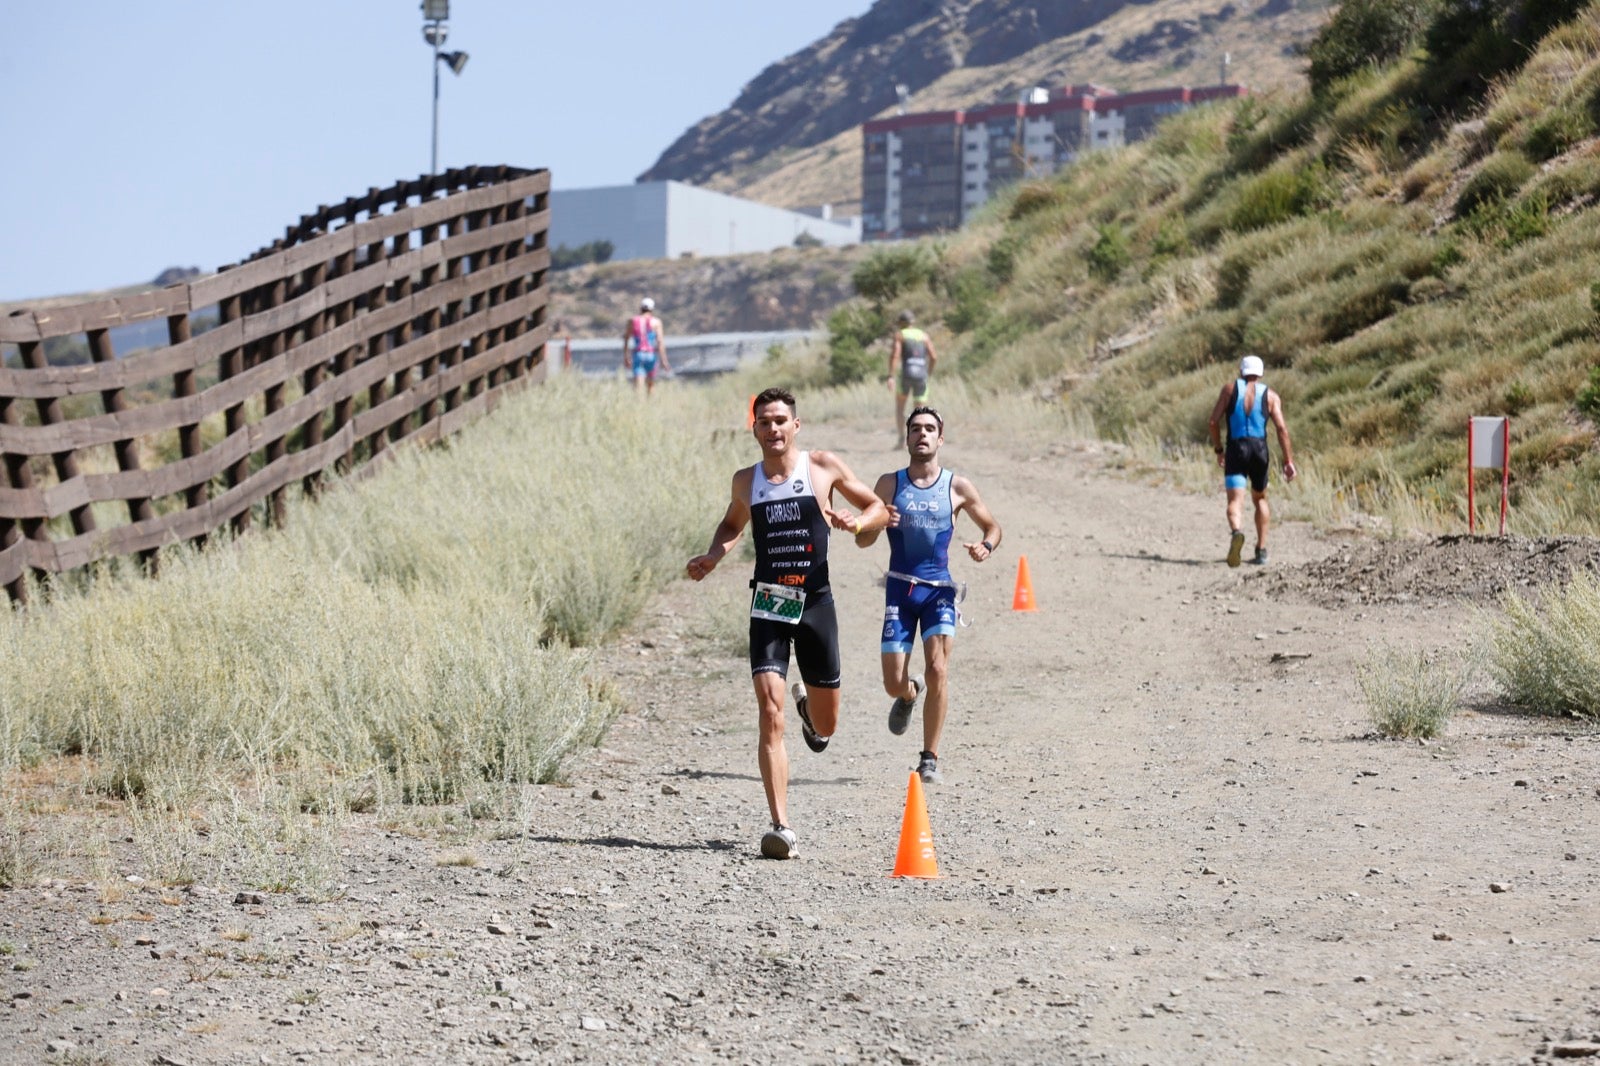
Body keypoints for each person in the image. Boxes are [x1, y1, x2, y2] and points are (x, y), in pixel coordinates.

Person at [686, 387, 889, 859]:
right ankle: (781, 826)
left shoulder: (821, 466)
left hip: (816, 602)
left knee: (827, 724)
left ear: (795, 426)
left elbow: (876, 506)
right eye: (764, 422)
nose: (773, 429)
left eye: (781, 421)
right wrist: (715, 556)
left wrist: (857, 525)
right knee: (768, 708)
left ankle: (811, 719)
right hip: (771, 602)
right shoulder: (745, 480)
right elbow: (733, 524)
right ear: (753, 429)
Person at [854, 406, 1001, 786]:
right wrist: (879, 520)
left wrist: (986, 545)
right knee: (892, 682)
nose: (922, 434)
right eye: (915, 428)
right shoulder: (889, 484)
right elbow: (862, 538)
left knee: (938, 669)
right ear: (907, 439)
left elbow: (992, 526)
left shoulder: (957, 487)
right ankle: (908, 693)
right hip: (900, 591)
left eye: (929, 429)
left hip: (938, 591)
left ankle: (929, 758)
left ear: (940, 438)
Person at [1207, 354, 1297, 567]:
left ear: (1241, 371)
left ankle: (1237, 532)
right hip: (1259, 450)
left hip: (1236, 449)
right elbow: (1282, 430)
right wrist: (1288, 461)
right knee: (1260, 499)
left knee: (1235, 501)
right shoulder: (1271, 396)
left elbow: (1213, 421)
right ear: (1261, 373)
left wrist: (1219, 449)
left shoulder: (1229, 390)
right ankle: (1261, 550)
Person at [888, 310, 937, 430]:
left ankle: (901, 439)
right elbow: (934, 357)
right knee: (919, 411)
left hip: (906, 374)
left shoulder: (900, 335)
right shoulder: (924, 335)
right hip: (921, 375)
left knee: (900, 408)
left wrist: (891, 376)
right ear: (913, 322)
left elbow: (895, 355)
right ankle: (918, 440)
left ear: (901, 323)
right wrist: (928, 372)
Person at [621, 297, 669, 395]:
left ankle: (639, 406)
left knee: (638, 384)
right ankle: (649, 404)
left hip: (638, 354)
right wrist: (664, 360)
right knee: (650, 384)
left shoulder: (632, 321)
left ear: (640, 308)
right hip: (650, 354)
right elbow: (660, 341)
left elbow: (626, 338)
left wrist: (626, 356)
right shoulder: (656, 322)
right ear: (652, 309)